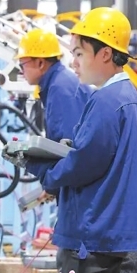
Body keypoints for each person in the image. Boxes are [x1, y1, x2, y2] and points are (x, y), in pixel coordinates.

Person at [4, 7, 137, 273]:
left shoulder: (106, 101)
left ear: (105, 54)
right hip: (110, 229)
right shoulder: (127, 97)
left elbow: (84, 163)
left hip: (92, 232)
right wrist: (70, 149)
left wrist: (42, 169)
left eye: (80, 53)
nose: (74, 62)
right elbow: (96, 152)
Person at [15, 28, 93, 202]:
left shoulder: (60, 88)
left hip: (81, 190)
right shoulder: (59, 82)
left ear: (40, 63)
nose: (21, 71)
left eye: (22, 65)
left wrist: (52, 185)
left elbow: (67, 148)